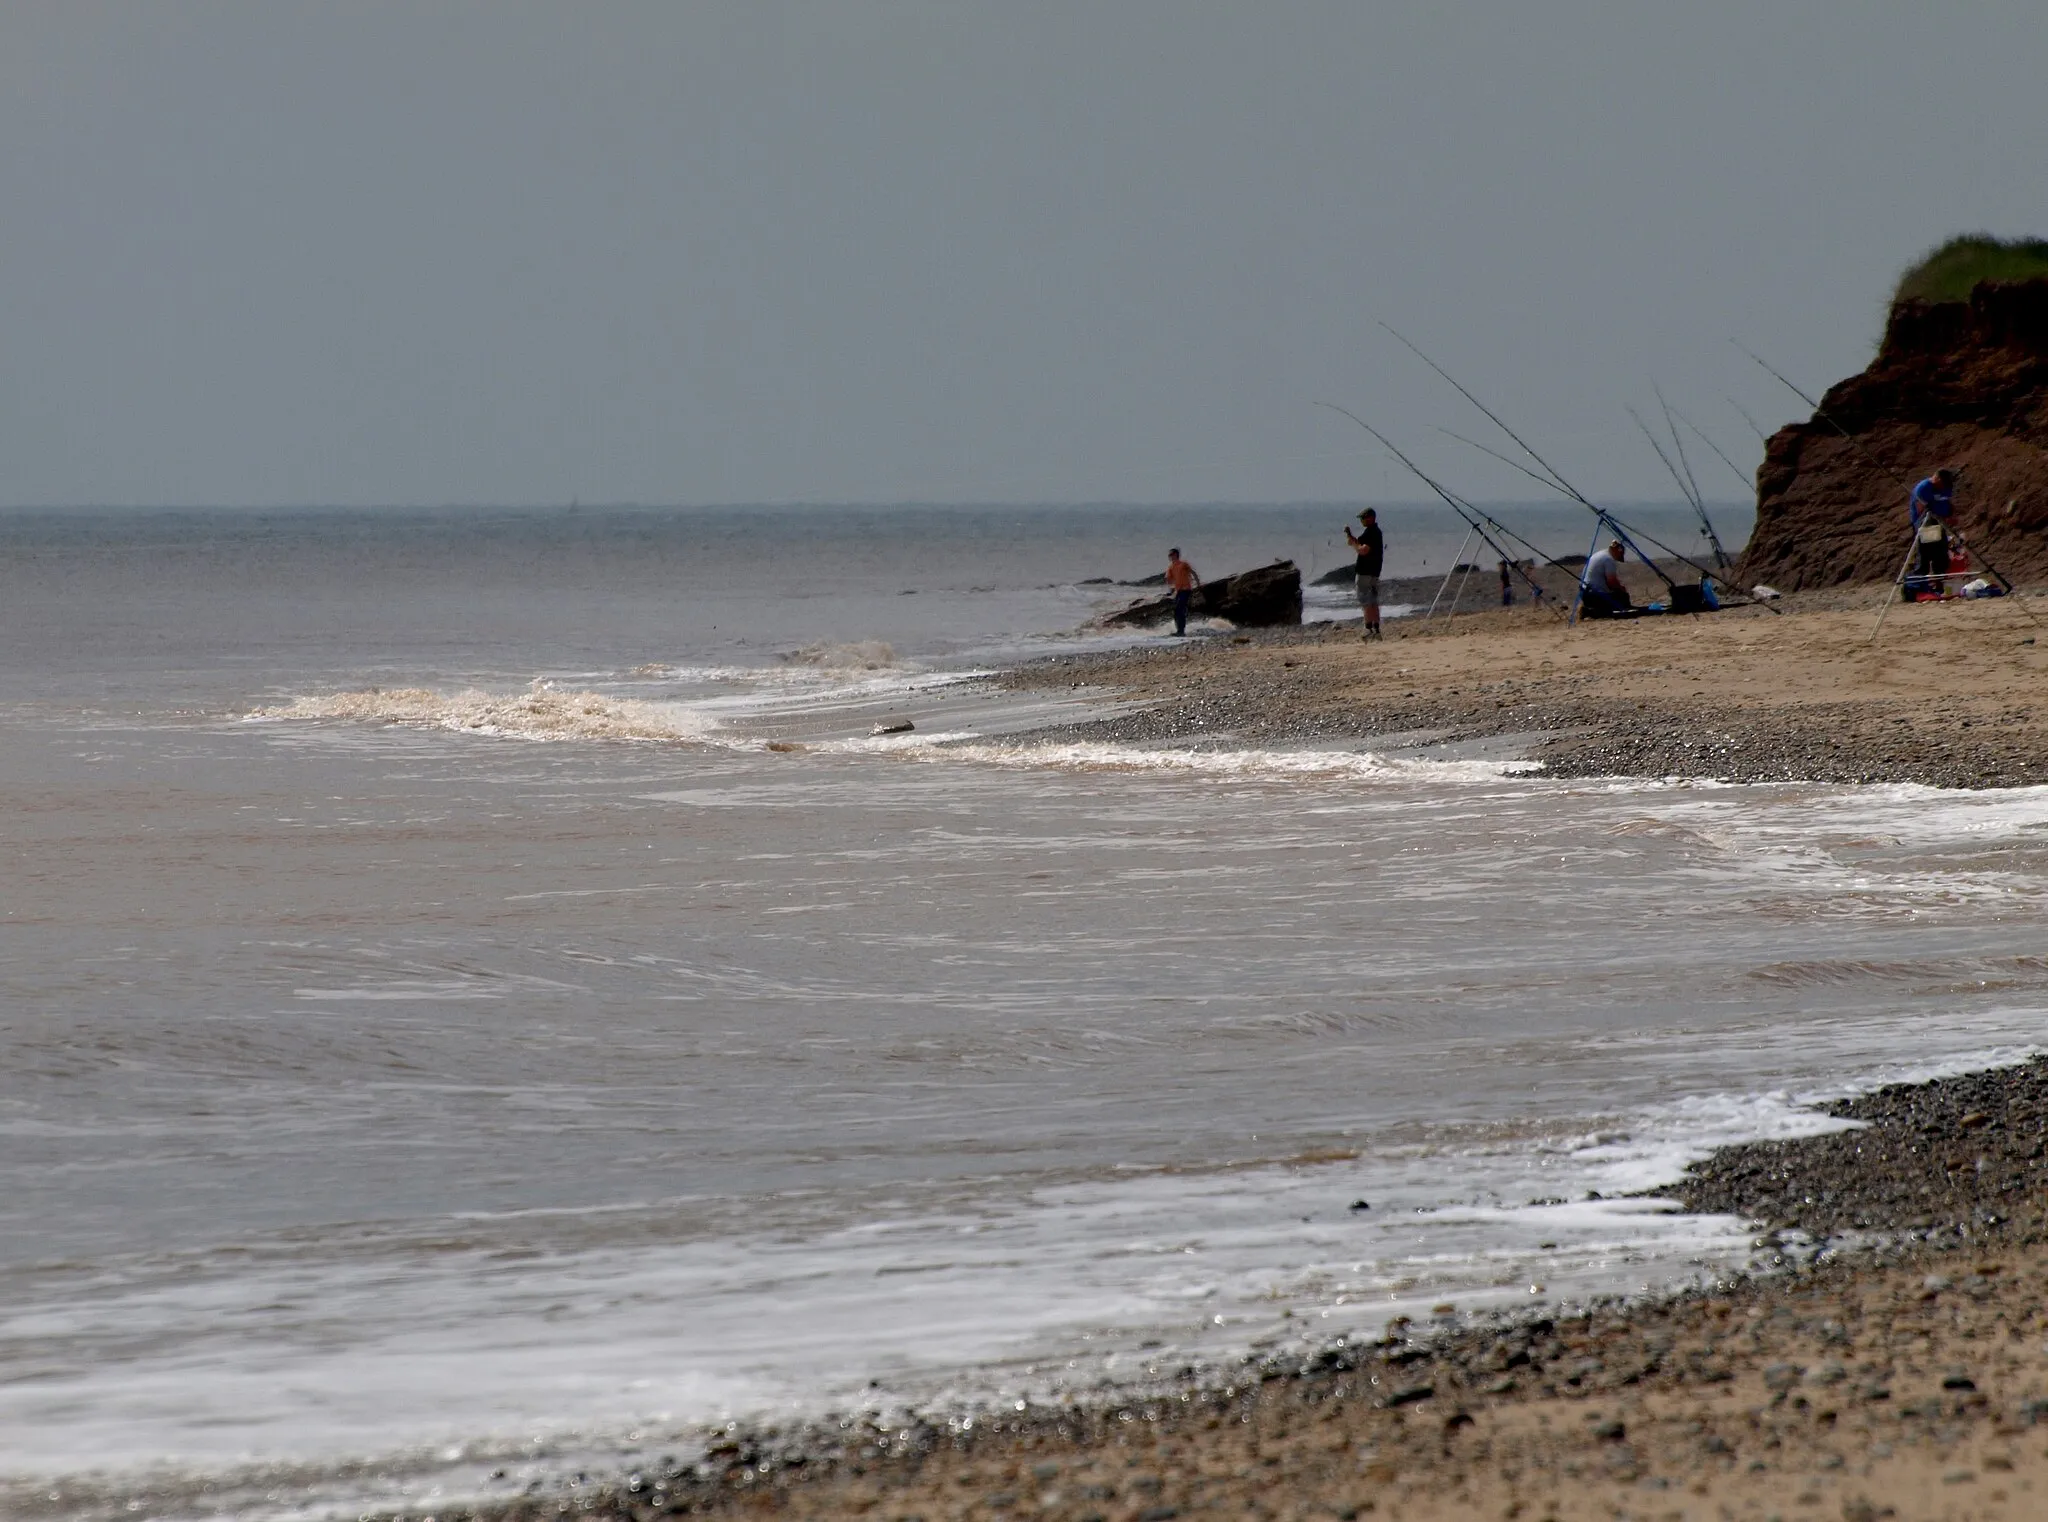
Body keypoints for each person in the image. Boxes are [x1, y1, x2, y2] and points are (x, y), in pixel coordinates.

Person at [1907, 467, 1957, 599]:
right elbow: (1920, 510)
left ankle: (1939, 586)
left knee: (1941, 556)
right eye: (1943, 483)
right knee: (1925, 556)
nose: (1944, 487)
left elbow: (1948, 502)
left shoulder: (1945, 487)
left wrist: (1951, 515)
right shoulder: (1924, 488)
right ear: (1937, 478)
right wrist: (1923, 525)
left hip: (1940, 524)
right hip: (1927, 525)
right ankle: (1918, 588)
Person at [1344, 508, 1385, 639]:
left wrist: (1354, 546)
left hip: (1365, 572)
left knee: (1365, 600)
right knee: (1373, 600)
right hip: (1374, 572)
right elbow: (1362, 543)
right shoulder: (1375, 532)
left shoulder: (1372, 533)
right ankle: (1376, 628)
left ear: (1370, 518)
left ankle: (1368, 628)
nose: (1361, 521)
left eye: (1363, 518)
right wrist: (1352, 538)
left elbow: (1363, 550)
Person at [1579, 539, 1633, 618]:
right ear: (1616, 551)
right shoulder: (1608, 559)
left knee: (1617, 596)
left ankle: (1590, 609)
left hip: (1584, 592)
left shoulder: (1599, 554)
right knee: (1623, 597)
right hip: (1594, 595)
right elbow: (1611, 581)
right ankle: (1590, 612)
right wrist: (1621, 588)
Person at [1164, 547, 1201, 636]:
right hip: (1178, 591)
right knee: (1176, 611)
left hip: (1186, 590)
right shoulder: (1171, 567)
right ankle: (1179, 630)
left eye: (1172, 555)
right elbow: (1169, 580)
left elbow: (1193, 573)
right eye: (1169, 555)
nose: (1170, 557)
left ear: (1176, 555)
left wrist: (1198, 584)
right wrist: (1170, 590)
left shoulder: (1183, 564)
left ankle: (1181, 631)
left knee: (1179, 609)